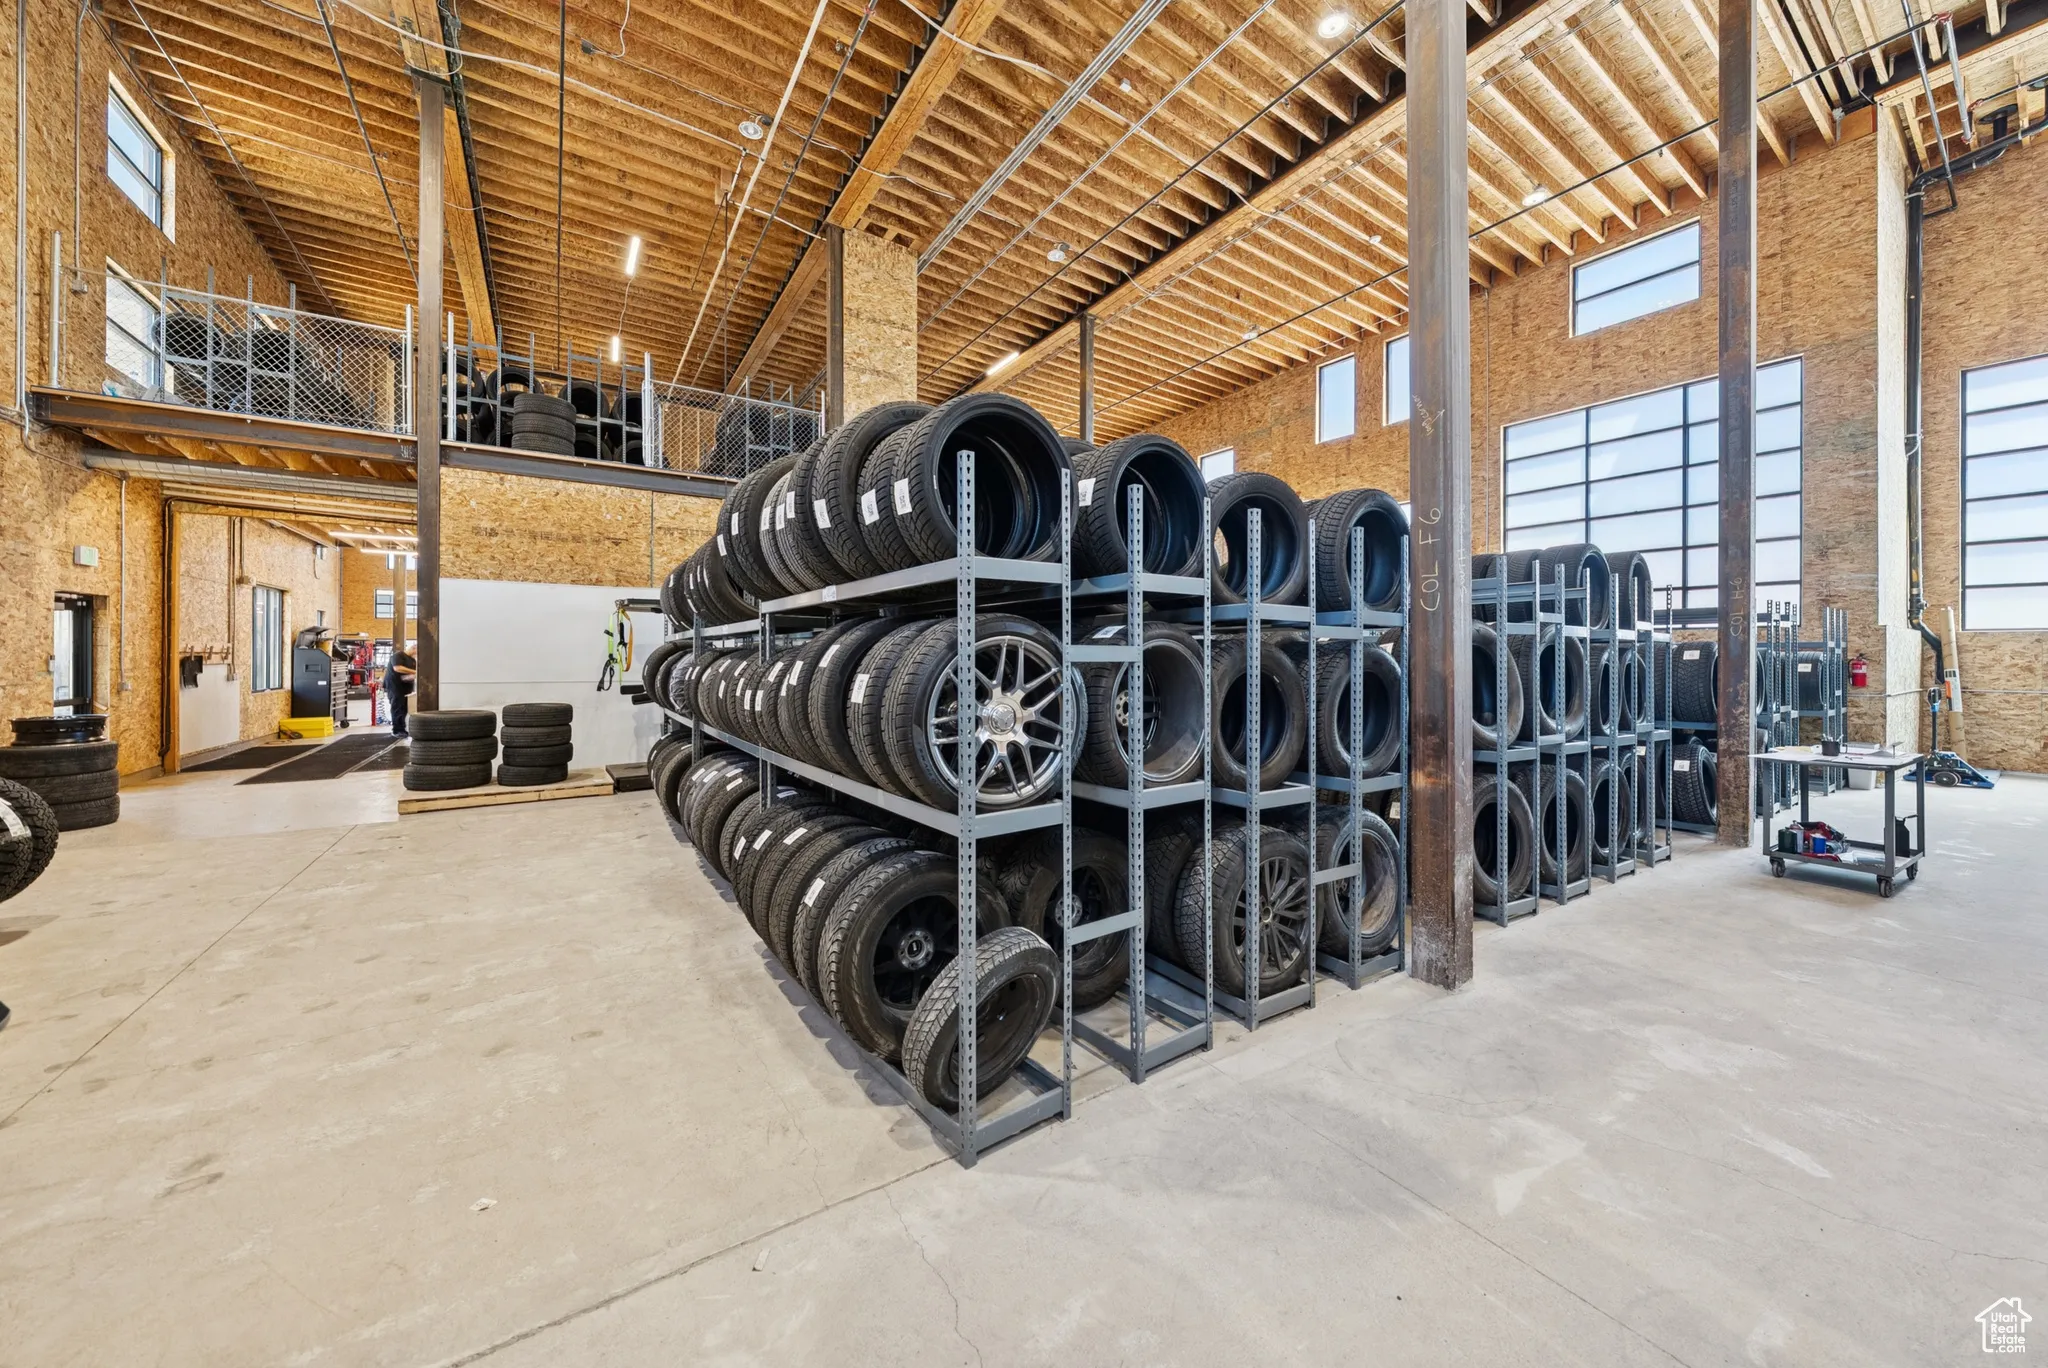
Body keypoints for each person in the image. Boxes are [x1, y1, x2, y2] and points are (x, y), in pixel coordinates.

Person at [385, 649, 417, 738]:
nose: (417, 654)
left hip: (405, 687)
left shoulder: (412, 660)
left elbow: (409, 673)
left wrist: (413, 676)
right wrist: (416, 672)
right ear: (414, 648)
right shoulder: (398, 655)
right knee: (397, 707)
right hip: (395, 686)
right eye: (416, 652)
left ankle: (402, 729)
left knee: (404, 708)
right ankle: (397, 730)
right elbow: (397, 668)